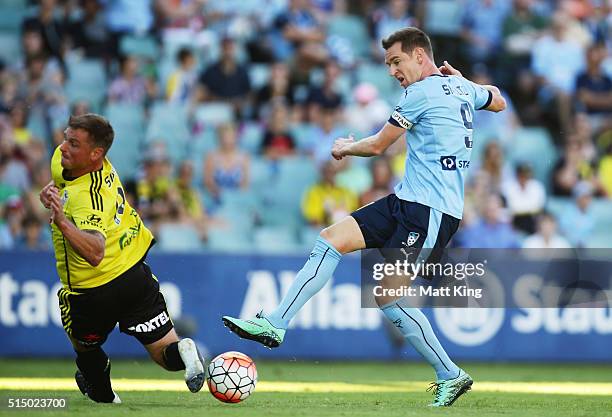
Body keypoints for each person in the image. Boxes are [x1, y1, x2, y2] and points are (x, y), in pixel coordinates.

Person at [223, 27, 505, 407]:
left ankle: (450, 374)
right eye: (388, 64)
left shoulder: (419, 93)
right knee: (331, 238)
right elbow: (499, 101)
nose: (392, 70)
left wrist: (343, 147)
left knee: (387, 297)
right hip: (405, 200)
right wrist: (464, 81)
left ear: (420, 56)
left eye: (396, 61)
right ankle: (275, 322)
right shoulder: (463, 89)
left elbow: (377, 146)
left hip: (432, 213)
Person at [39, 114, 205, 403]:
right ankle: (184, 349)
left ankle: (103, 394)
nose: (64, 147)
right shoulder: (76, 162)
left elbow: (94, 252)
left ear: (96, 154)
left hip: (93, 289)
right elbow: (61, 182)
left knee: (85, 347)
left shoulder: (88, 199)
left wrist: (62, 222)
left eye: (73, 143)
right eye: (66, 138)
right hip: (133, 276)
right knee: (164, 354)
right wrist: (52, 195)